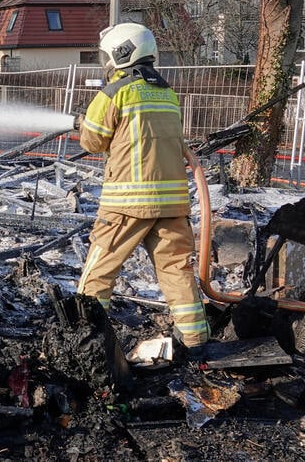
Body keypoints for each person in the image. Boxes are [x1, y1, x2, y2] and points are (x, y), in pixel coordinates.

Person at [73, 23, 209, 355]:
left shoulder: (114, 93)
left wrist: (81, 122)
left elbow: (92, 141)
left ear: (120, 53)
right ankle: (195, 340)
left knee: (100, 270)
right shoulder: (166, 93)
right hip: (173, 205)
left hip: (126, 204)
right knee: (177, 271)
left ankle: (85, 340)